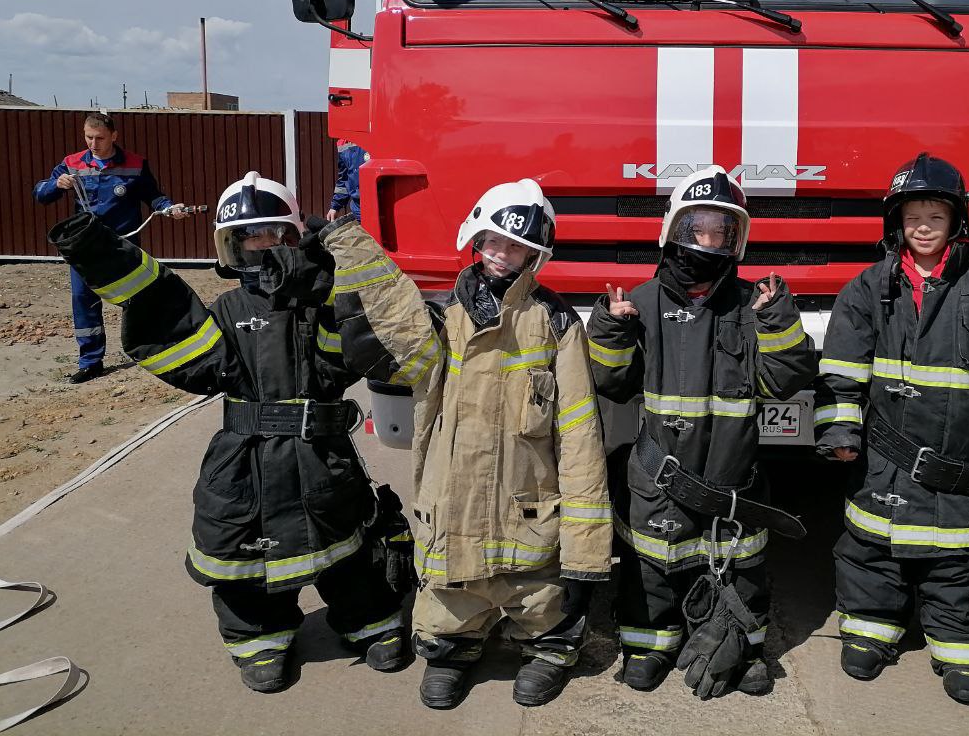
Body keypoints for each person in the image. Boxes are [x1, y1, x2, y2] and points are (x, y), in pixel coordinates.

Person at [48, 172, 409, 693]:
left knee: (347, 545)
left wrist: (330, 284)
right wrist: (98, 251)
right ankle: (260, 637)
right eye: (248, 235)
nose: (260, 244)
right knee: (242, 554)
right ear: (232, 245)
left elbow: (357, 352)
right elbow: (164, 315)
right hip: (245, 459)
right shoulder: (224, 313)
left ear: (291, 236)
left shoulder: (322, 298)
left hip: (322, 453)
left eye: (271, 232)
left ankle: (371, 622)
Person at [323, 178, 612, 709]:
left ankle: (547, 650)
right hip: (452, 491)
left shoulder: (555, 322)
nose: (502, 255)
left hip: (528, 495)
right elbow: (389, 309)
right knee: (450, 589)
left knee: (539, 587)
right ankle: (451, 651)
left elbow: (578, 432)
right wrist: (349, 240)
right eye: (493, 241)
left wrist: (586, 551)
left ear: (536, 254)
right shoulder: (443, 315)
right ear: (475, 239)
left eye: (516, 246)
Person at [815, 153, 969, 706]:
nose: (922, 226)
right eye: (912, 215)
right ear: (896, 222)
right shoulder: (868, 288)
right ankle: (870, 627)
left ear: (956, 223)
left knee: (957, 558)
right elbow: (842, 372)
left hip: (959, 464)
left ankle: (960, 644)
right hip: (882, 461)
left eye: (935, 215)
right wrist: (840, 434)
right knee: (871, 549)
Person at [586, 166, 816, 699]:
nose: (709, 242)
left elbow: (783, 382)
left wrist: (780, 322)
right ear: (674, 231)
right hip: (661, 475)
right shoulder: (639, 303)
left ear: (737, 241)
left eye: (722, 232)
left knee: (739, 562)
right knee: (653, 562)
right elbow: (611, 383)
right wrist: (610, 327)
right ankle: (648, 643)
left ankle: (742, 639)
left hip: (732, 476)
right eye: (699, 228)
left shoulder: (750, 305)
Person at [33, 111, 189, 383]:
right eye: (88, 137)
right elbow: (41, 193)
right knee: (84, 301)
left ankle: (153, 348)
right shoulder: (72, 164)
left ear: (114, 136)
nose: (94, 143)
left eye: (100, 138)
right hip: (85, 246)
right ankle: (91, 361)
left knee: (139, 298)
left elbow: (153, 196)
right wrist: (56, 184)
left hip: (122, 245)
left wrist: (168, 208)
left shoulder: (135, 164)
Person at [326, 139, 368, 221]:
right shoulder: (342, 143)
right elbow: (344, 179)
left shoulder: (372, 135)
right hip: (358, 210)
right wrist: (335, 206)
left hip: (379, 207)